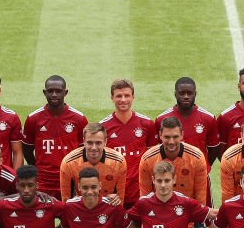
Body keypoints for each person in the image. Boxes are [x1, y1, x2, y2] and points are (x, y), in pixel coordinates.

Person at [23, 75, 89, 199]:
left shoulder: (79, 119)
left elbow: (84, 151)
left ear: (65, 92)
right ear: (44, 92)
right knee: (42, 216)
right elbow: (26, 148)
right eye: (50, 91)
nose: (54, 94)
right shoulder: (33, 119)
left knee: (70, 217)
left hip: (70, 179)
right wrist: (37, 167)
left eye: (58, 91)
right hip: (43, 182)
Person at [101, 78, 157, 209]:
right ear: (112, 98)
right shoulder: (103, 127)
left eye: (127, 95)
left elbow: (153, 159)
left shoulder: (147, 124)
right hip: (113, 191)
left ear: (133, 97)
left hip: (140, 190)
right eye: (119, 96)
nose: (123, 99)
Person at [156, 77, 220, 166]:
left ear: (195, 94)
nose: (186, 96)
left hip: (198, 175)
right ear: (175, 94)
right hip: (170, 175)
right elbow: (157, 149)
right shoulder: (161, 119)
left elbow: (214, 149)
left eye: (189, 93)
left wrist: (202, 166)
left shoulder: (208, 118)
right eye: (182, 93)